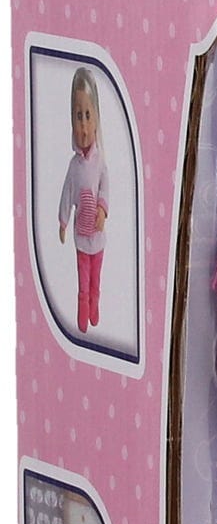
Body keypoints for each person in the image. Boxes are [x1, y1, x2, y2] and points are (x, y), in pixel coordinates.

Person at [57, 67, 108, 336]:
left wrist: (102, 210)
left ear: (96, 118)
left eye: (88, 115)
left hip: (97, 236)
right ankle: (83, 308)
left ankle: (95, 304)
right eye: (79, 116)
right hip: (80, 237)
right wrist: (63, 221)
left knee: (95, 278)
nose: (84, 126)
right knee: (83, 279)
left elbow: (105, 188)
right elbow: (67, 193)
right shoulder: (74, 167)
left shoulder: (100, 164)